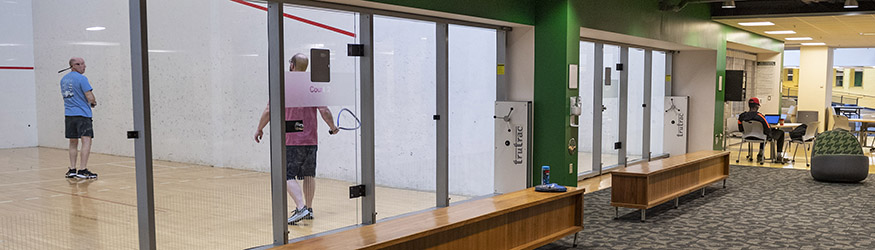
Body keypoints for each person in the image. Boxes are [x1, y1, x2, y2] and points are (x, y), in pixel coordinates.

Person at [254, 53, 339, 225]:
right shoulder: (313, 86)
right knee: (308, 175)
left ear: (292, 65)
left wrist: (259, 128)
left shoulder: (284, 85)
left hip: (291, 140)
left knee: (286, 174)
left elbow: (269, 110)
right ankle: (309, 209)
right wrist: (333, 127)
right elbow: (325, 111)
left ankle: (301, 208)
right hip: (311, 140)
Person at [61, 57, 98, 179]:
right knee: (86, 141)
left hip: (69, 115)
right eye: (79, 64)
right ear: (72, 66)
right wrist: (93, 102)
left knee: (73, 142)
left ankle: (72, 169)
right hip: (83, 115)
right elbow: (90, 96)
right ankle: (82, 170)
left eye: (83, 63)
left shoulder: (63, 80)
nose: (83, 66)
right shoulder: (82, 79)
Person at [737, 97, 786, 163]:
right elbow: (768, 129)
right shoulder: (760, 117)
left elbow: (740, 129)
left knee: (763, 133)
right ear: (757, 106)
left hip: (747, 136)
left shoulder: (741, 116)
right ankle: (779, 156)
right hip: (761, 137)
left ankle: (760, 154)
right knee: (780, 133)